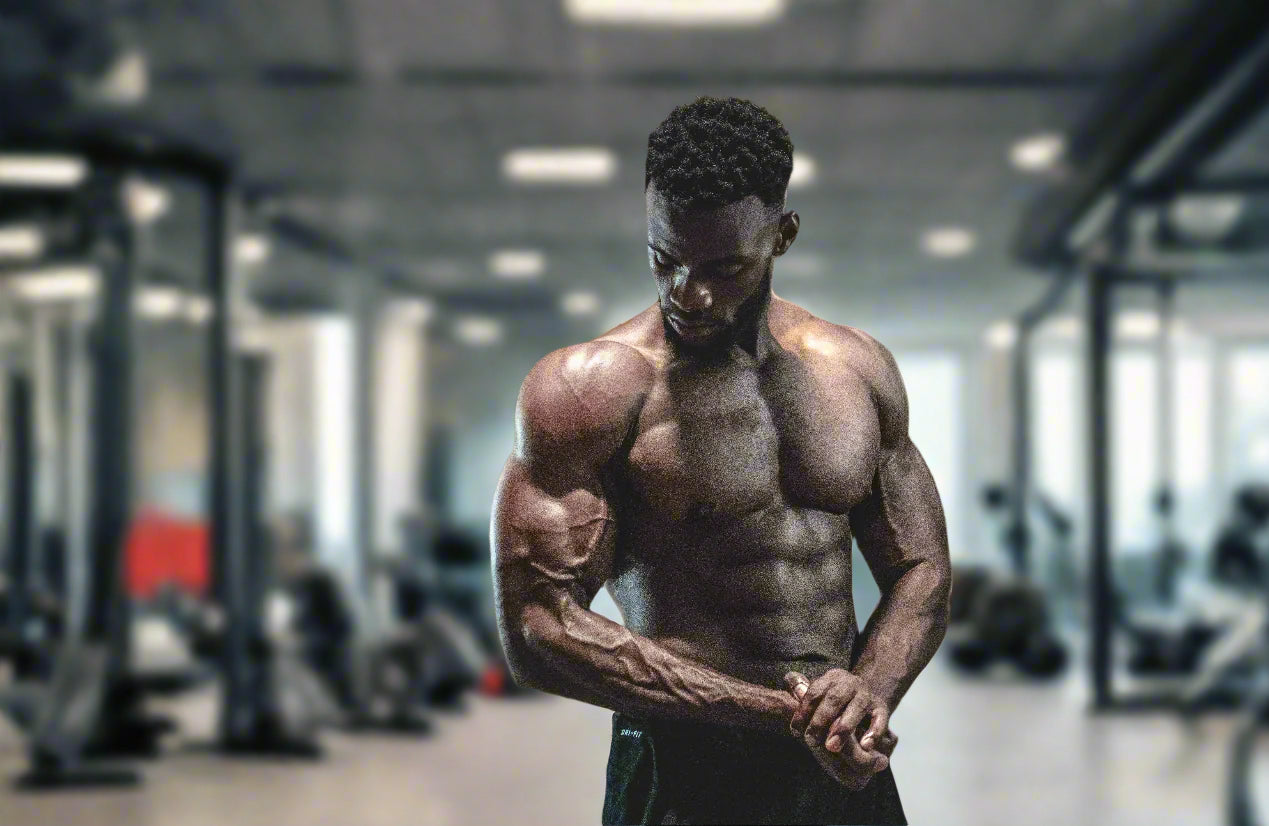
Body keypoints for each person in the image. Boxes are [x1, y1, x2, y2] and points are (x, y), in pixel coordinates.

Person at [492, 96, 951, 825]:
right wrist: (782, 714)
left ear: (783, 235)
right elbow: (537, 628)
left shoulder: (855, 369)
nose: (687, 293)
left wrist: (869, 691)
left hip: (837, 761)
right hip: (680, 762)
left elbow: (920, 567)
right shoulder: (589, 390)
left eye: (723, 265)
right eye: (662, 258)